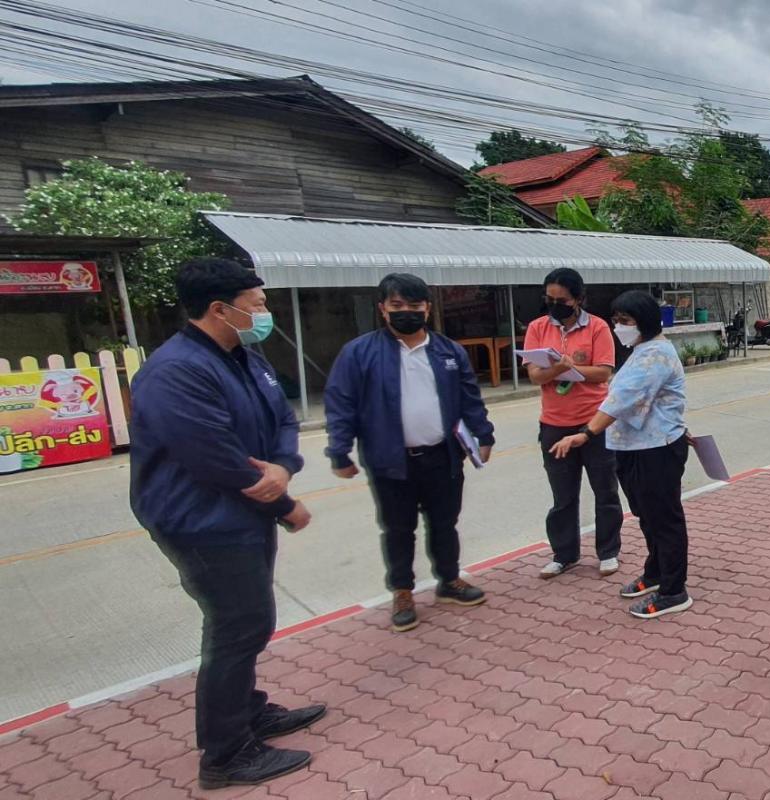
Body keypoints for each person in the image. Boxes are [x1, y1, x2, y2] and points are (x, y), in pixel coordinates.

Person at [129, 258, 323, 789]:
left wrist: (284, 467)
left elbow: (282, 416)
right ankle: (226, 755)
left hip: (241, 514)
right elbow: (213, 458)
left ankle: (249, 712)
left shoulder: (246, 357)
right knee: (238, 627)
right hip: (201, 520)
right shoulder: (175, 371)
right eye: (257, 305)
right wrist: (286, 506)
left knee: (249, 622)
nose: (266, 313)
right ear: (220, 309)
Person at [324, 273, 495, 633]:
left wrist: (484, 434)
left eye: (415, 306)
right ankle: (402, 591)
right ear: (383, 309)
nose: (407, 312)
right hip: (391, 461)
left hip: (443, 456)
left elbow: (469, 399)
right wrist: (339, 451)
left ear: (427, 309)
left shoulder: (449, 352)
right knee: (398, 529)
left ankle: (449, 581)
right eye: (397, 306)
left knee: (445, 523)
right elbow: (342, 404)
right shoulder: (359, 353)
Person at [552, 291, 693, 619]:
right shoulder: (640, 349)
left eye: (626, 322)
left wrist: (585, 434)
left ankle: (674, 590)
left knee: (665, 520)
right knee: (648, 517)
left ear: (644, 321)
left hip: (656, 451)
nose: (619, 328)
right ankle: (656, 573)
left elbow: (622, 400)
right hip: (634, 449)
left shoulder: (655, 355)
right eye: (616, 321)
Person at [525, 268, 622, 579]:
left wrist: (568, 368)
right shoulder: (538, 328)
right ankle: (564, 554)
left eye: (562, 300)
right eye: (550, 299)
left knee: (605, 490)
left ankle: (608, 551)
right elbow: (535, 376)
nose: (556, 305)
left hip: (595, 422)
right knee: (562, 496)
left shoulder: (597, 327)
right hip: (554, 423)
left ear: (579, 298)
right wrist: (558, 370)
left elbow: (604, 372)